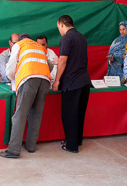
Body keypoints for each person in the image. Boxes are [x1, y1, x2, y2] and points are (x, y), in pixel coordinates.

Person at [0, 33, 51, 158]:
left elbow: (11, 68)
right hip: (45, 80)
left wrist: (13, 78)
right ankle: (31, 146)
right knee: (36, 114)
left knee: (20, 115)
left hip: (28, 79)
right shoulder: (39, 47)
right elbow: (49, 65)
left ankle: (13, 150)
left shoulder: (19, 45)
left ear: (21, 40)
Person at [52, 15, 91, 153]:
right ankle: (76, 140)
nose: (59, 31)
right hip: (84, 81)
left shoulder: (66, 38)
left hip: (72, 82)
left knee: (69, 114)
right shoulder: (81, 37)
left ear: (62, 24)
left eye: (58, 28)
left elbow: (63, 60)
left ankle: (71, 146)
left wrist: (56, 80)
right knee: (80, 113)